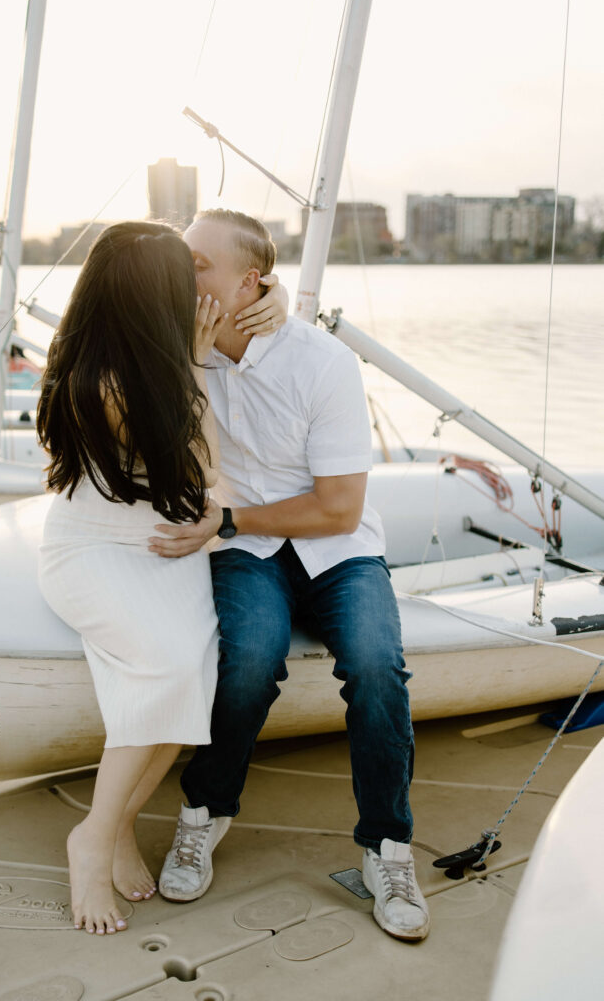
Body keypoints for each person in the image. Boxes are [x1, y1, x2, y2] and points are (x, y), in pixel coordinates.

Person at [150, 209, 430, 942]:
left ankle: (386, 847)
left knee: (374, 665)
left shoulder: (322, 362)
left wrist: (234, 521)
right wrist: (186, 357)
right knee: (246, 659)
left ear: (251, 283)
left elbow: (339, 511)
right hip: (243, 547)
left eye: (199, 266)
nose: (185, 277)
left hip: (331, 550)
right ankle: (203, 814)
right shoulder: (183, 347)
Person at [36, 220, 288, 937]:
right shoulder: (110, 380)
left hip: (163, 544)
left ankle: (117, 826)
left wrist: (277, 296)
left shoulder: (149, 353)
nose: (195, 294)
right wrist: (196, 365)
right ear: (153, 299)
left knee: (195, 679)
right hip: (97, 549)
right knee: (169, 664)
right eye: (183, 282)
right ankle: (93, 835)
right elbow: (202, 474)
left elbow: (195, 492)